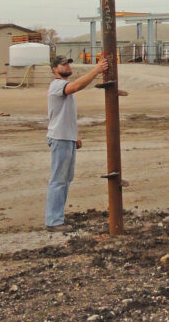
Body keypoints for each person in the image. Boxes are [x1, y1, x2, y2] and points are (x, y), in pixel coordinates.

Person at [45, 54, 108, 232]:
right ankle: (53, 221)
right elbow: (77, 86)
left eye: (68, 64)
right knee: (58, 180)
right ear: (55, 69)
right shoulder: (58, 85)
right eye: (63, 64)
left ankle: (57, 217)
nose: (67, 66)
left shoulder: (63, 86)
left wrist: (74, 136)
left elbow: (65, 115)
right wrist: (96, 70)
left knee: (65, 180)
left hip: (67, 138)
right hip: (60, 138)